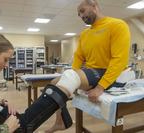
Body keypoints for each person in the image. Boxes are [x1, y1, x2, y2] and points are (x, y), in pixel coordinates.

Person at [45, 0, 131, 132]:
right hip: (92, 71)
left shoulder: (117, 25)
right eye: (79, 14)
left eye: (82, 10)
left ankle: (28, 123)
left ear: (94, 6)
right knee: (55, 83)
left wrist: (100, 87)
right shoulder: (85, 33)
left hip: (112, 75)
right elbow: (79, 56)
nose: (80, 15)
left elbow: (119, 59)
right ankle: (60, 121)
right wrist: (72, 76)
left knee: (64, 81)